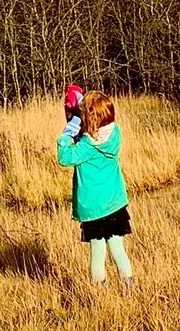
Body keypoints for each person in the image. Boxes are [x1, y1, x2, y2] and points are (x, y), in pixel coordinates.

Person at [56, 91, 134, 288]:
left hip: (94, 208)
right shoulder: (115, 134)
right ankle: (130, 287)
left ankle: (100, 292)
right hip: (114, 203)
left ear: (88, 120)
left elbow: (65, 158)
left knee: (98, 251)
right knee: (118, 248)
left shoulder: (87, 146)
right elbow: (96, 130)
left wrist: (66, 136)